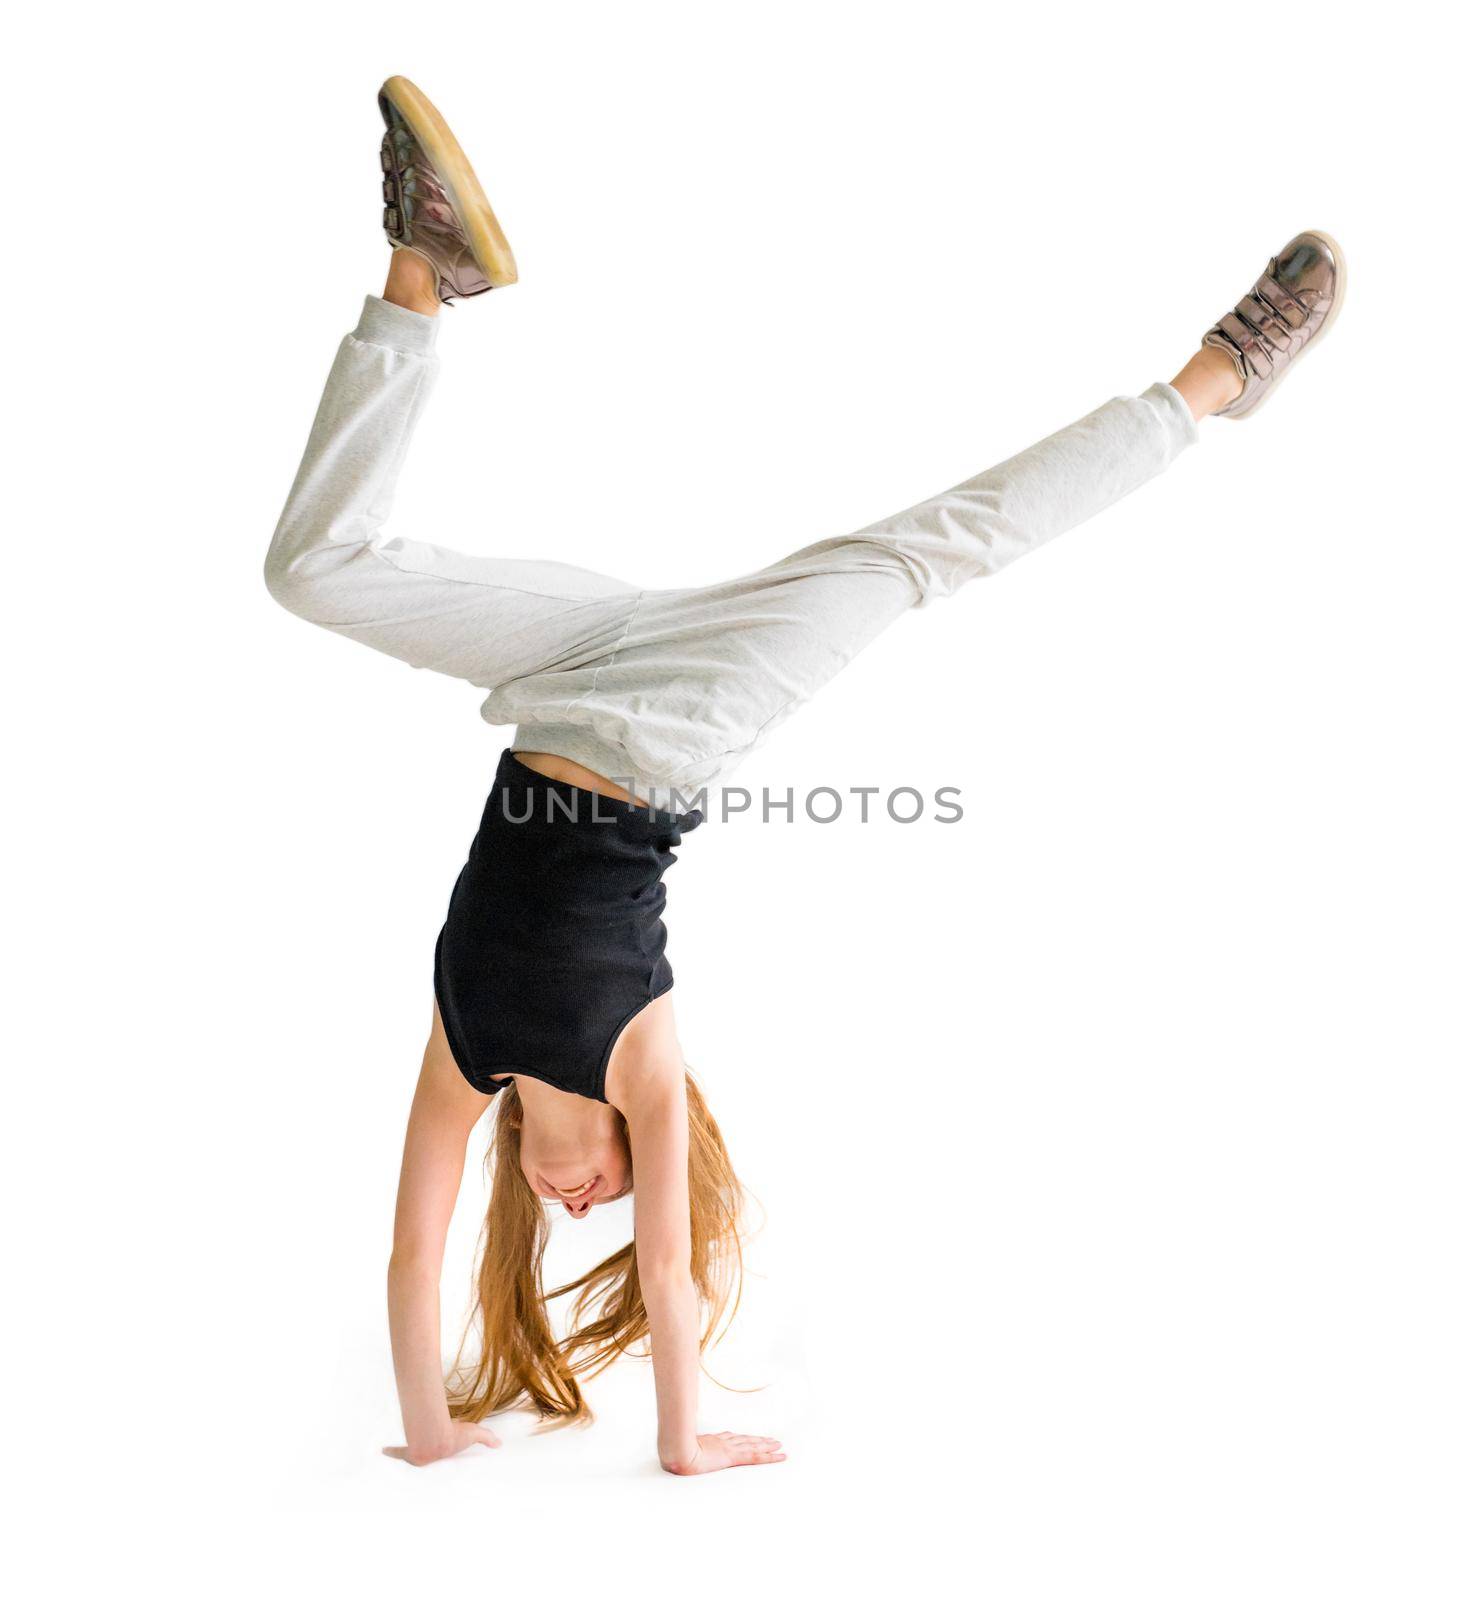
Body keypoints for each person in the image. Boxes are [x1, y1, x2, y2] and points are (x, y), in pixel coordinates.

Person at [265, 75, 1345, 1475]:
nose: (587, 1202)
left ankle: (424, 264)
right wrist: (681, 1440)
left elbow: (414, 1249)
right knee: (918, 556)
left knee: (310, 572)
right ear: (647, 1165)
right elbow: (665, 1283)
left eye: (573, 1209)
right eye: (621, 1197)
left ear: (525, 1187)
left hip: (567, 673)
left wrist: (426, 1435)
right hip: (675, 726)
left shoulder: (463, 1057)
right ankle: (1206, 387)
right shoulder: (643, 1055)